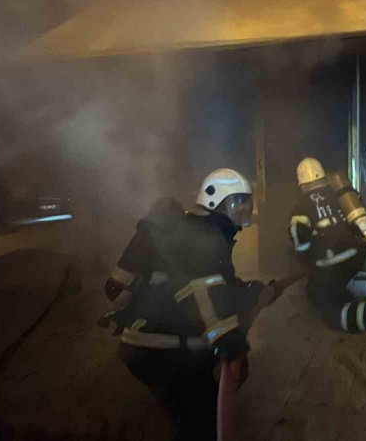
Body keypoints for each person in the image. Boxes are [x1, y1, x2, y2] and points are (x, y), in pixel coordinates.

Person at [102, 168, 266, 441]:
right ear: (217, 202)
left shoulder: (195, 231)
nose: (244, 210)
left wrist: (251, 291)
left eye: (246, 202)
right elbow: (206, 293)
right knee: (200, 418)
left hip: (145, 343)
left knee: (182, 409)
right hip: (163, 348)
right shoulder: (205, 236)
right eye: (238, 202)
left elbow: (217, 285)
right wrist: (235, 349)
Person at [288, 157, 366, 348]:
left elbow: (300, 241)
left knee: (333, 315)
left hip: (331, 262)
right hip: (357, 254)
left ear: (301, 183)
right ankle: (336, 297)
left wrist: (305, 257)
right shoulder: (337, 193)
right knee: (319, 290)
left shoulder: (301, 206)